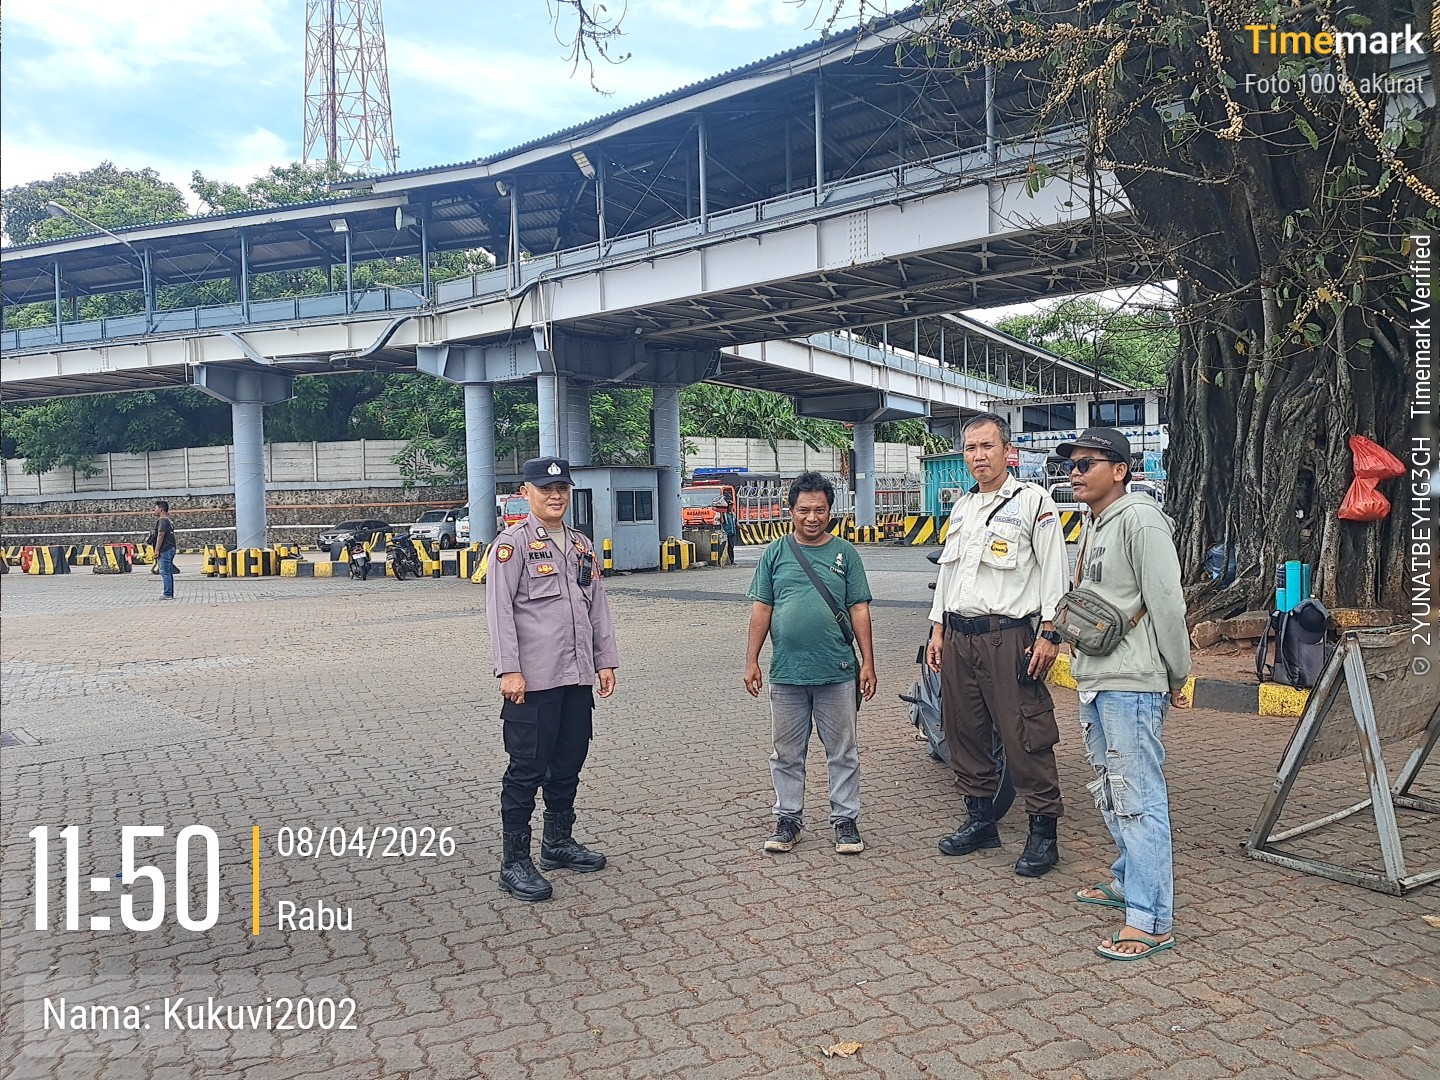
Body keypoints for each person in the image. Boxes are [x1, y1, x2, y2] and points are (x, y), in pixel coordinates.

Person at [1058, 427, 1192, 961]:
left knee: (1138, 798)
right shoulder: (1097, 521)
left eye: (1086, 463)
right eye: (1071, 464)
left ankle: (1151, 920)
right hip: (1098, 679)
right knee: (1112, 792)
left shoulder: (1141, 519)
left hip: (1132, 682)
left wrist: (1178, 674)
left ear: (1120, 470)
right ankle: (1127, 880)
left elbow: (1168, 603)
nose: (1075, 473)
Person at [926, 413, 1068, 876]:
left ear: (1009, 451)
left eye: (987, 446)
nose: (978, 456)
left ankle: (1043, 835)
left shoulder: (1033, 502)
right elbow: (949, 574)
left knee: (1024, 732)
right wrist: (938, 628)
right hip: (959, 638)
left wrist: (1050, 632)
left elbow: (1054, 570)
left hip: (1008, 637)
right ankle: (981, 821)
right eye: (970, 448)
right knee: (964, 731)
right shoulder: (963, 506)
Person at [486, 457, 619, 902]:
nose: (556, 496)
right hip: (533, 681)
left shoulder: (581, 545)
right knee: (526, 769)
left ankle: (557, 843)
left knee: (568, 762)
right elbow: (500, 611)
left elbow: (596, 605)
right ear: (527, 492)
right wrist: (509, 669)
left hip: (576, 676)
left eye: (562, 488)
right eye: (546, 489)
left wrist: (604, 660)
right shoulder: (512, 546)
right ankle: (514, 862)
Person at [744, 471, 876, 855]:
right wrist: (751, 660)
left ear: (831, 511)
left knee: (843, 752)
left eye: (820, 510)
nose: (812, 517)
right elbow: (762, 609)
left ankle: (845, 821)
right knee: (786, 753)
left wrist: (868, 663)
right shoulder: (775, 553)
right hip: (787, 673)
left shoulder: (846, 554)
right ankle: (788, 820)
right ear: (791, 511)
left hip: (837, 671)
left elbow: (859, 609)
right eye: (804, 510)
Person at [147, 500, 177, 600]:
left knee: (164, 571)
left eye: (155, 508)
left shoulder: (162, 521)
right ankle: (169, 592)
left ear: (161, 509)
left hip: (165, 549)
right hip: (170, 547)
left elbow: (161, 535)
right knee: (167, 571)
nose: (154, 510)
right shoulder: (169, 521)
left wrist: (157, 550)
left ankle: (167, 593)